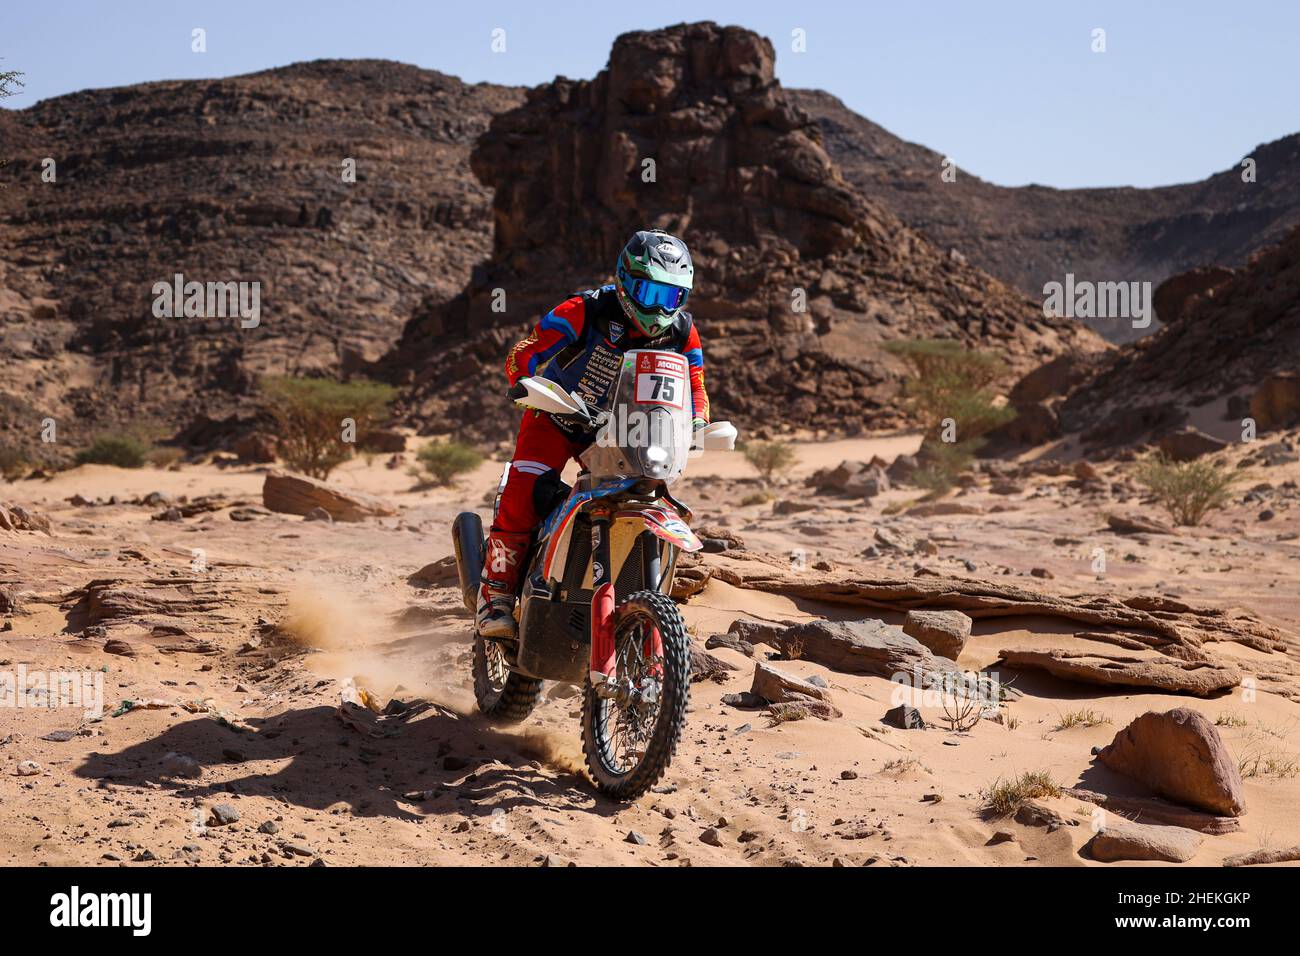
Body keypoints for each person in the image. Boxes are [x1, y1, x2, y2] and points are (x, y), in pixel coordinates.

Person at [476, 229, 710, 638]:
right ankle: (494, 596)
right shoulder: (585, 309)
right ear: (624, 280)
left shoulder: (682, 331)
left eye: (670, 297)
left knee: (638, 495)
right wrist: (524, 379)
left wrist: (698, 421)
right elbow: (527, 349)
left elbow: (695, 384)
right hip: (555, 415)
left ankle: (634, 603)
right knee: (525, 486)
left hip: (618, 430)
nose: (658, 308)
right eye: (648, 291)